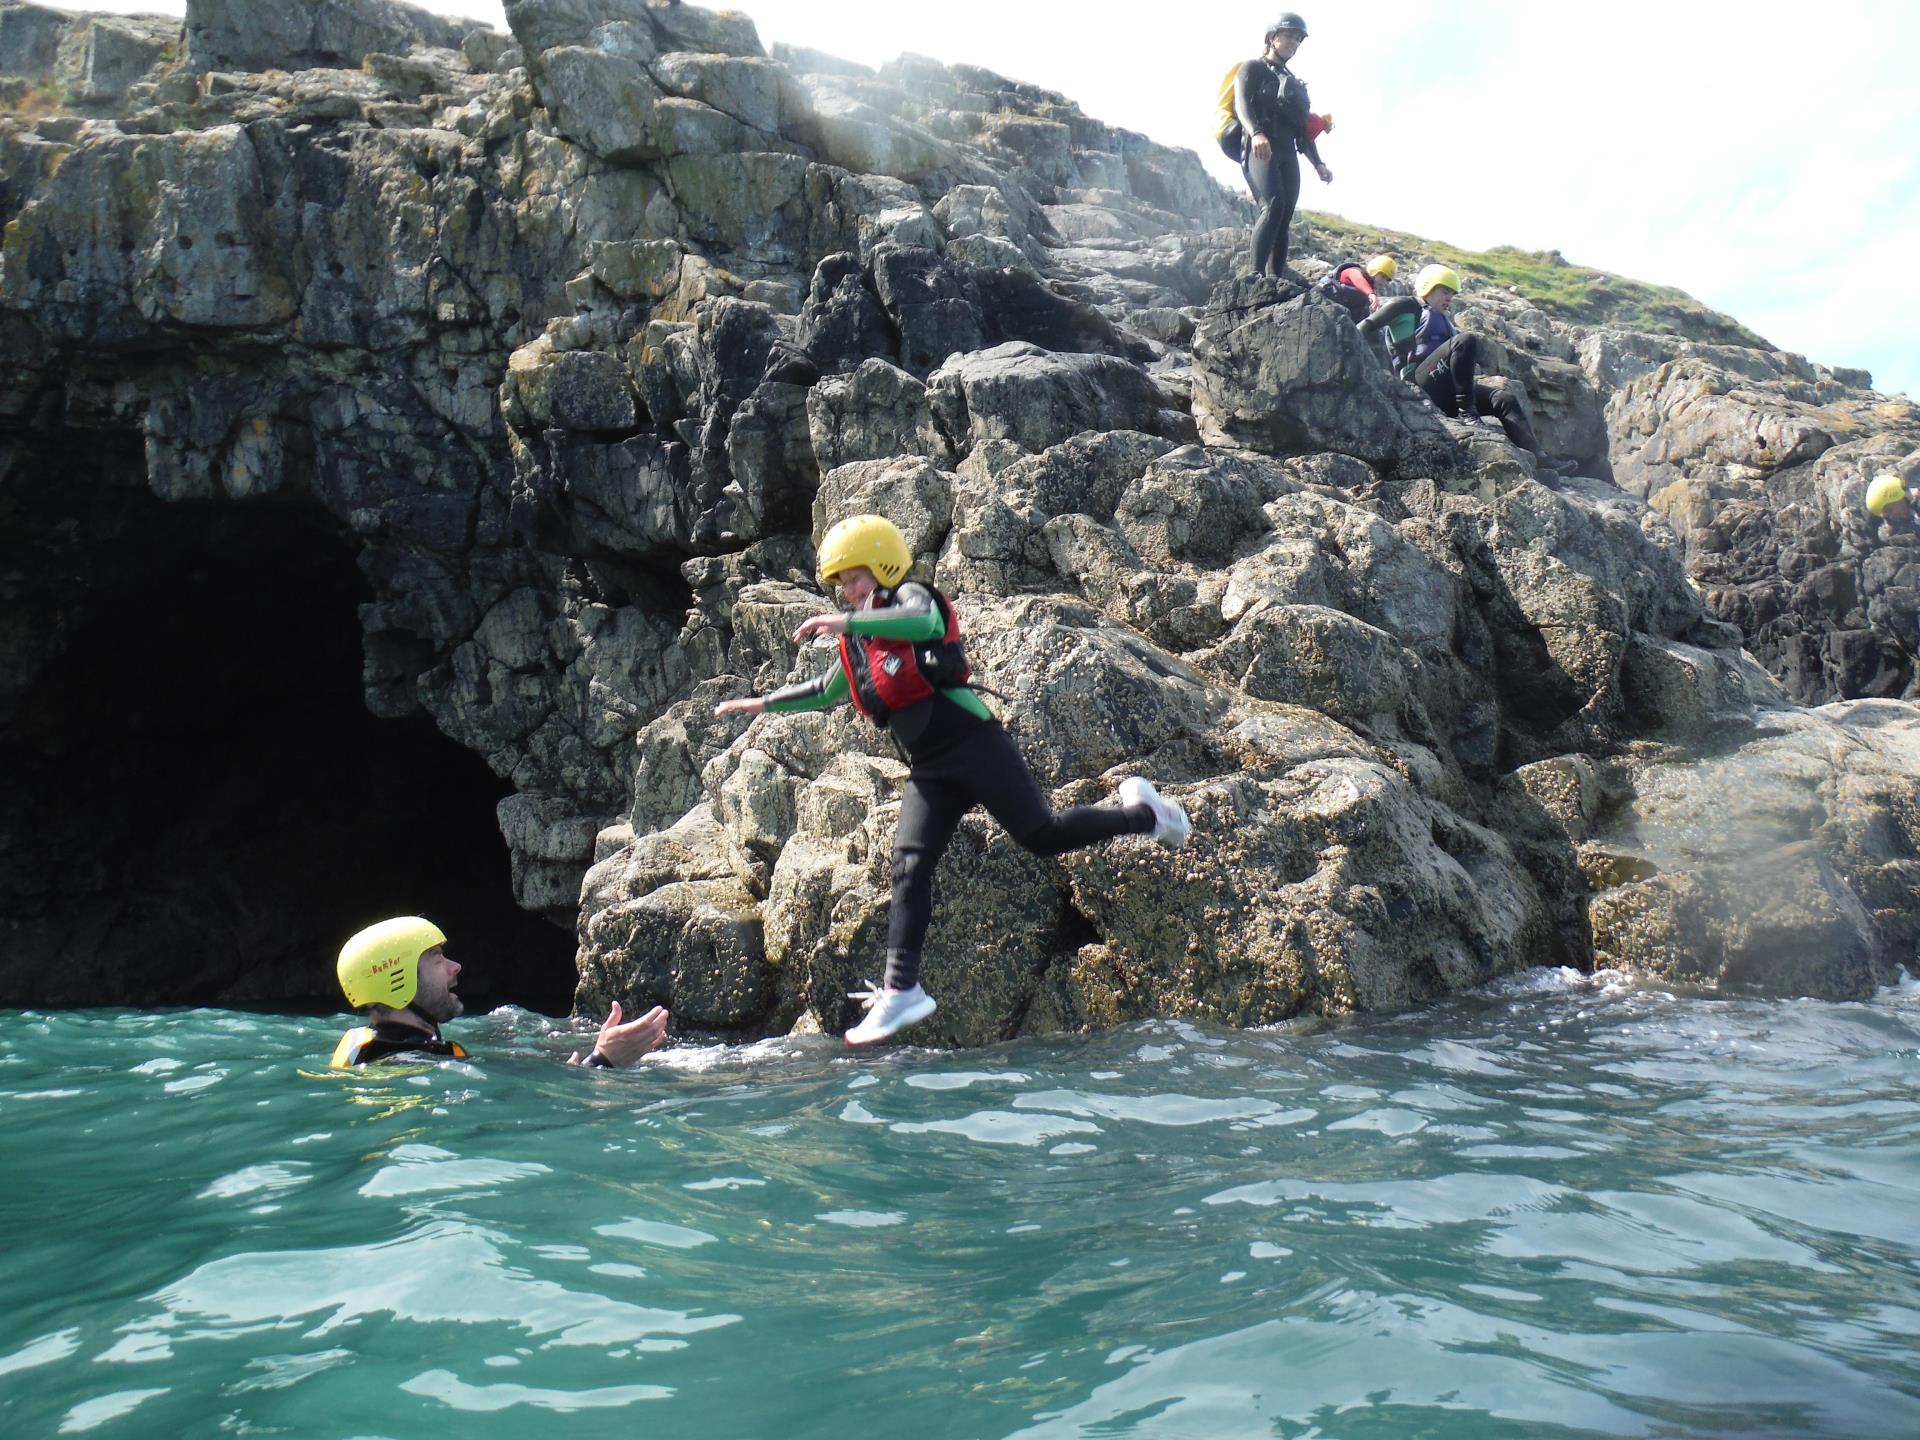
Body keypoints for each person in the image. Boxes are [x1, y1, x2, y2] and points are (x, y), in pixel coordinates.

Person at [713, 515, 1192, 1046]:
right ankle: (902, 990)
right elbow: (829, 688)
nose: (847, 591)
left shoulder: (917, 598)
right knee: (909, 865)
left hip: (975, 744)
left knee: (1042, 835)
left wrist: (847, 624)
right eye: (841, 583)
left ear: (883, 564)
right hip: (930, 769)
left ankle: (1145, 814)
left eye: (855, 577)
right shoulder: (858, 641)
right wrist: (762, 703)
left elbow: (918, 627)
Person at [330, 916, 669, 1069]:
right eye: (436, 959)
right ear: (397, 979)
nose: (454, 967)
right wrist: (603, 1062)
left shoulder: (369, 1048)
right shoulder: (409, 1064)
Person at [1365, 263, 1577, 477]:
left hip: (1443, 389)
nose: (1449, 297)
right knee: (1465, 340)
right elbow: (1363, 328)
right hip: (1416, 384)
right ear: (1428, 287)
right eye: (1444, 291)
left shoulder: (1445, 322)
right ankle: (1468, 413)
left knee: (1503, 399)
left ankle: (1541, 458)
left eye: (1453, 293)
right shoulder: (1404, 305)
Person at [1233, 14, 1333, 280]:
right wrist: (1256, 133)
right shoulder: (1253, 68)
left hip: (1289, 152)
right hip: (1260, 148)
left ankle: (1275, 279)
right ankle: (1254, 274)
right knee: (1274, 204)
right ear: (1272, 37)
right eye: (1288, 35)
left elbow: (1302, 131)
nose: (1293, 42)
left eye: (1298, 39)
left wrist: (1318, 163)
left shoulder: (1295, 84)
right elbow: (1241, 104)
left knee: (1286, 214)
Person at [1865, 472, 1920, 537]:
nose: (1893, 516)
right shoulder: (1906, 511)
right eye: (1887, 515)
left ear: (1896, 496)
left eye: (1890, 510)